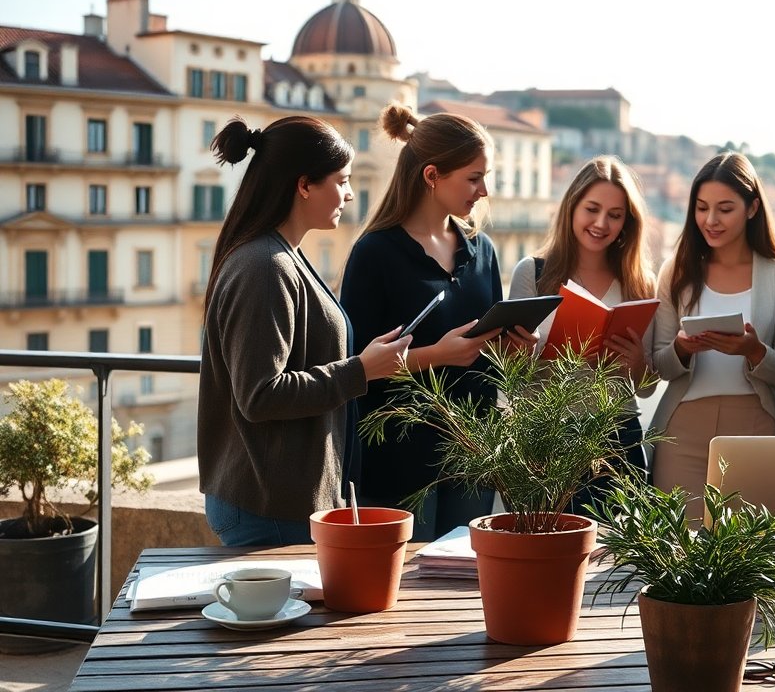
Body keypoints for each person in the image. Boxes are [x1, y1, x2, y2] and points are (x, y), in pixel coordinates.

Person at [198, 116, 410, 547]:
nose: (349, 194)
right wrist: (361, 370)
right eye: (342, 181)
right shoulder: (265, 266)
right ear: (304, 185)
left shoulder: (281, 255)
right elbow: (260, 395)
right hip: (269, 505)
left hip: (280, 499)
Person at [342, 104, 531, 542]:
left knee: (465, 574)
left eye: (485, 177)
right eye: (473, 178)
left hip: (473, 451)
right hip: (398, 456)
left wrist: (514, 346)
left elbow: (490, 345)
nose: (483, 191)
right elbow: (356, 366)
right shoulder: (374, 253)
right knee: (409, 577)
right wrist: (438, 355)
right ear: (432, 176)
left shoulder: (481, 249)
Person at [650, 152, 775, 516]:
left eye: (725, 209)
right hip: (682, 432)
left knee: (749, 544)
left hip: (756, 426)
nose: (710, 220)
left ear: (752, 208)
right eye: (701, 208)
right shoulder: (676, 271)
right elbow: (659, 365)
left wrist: (754, 352)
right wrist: (681, 349)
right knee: (680, 544)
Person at [508, 155, 658, 513]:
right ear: (572, 207)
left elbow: (647, 388)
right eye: (592, 209)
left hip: (618, 436)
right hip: (548, 436)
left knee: (617, 546)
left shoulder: (640, 283)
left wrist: (636, 363)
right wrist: (524, 354)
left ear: (627, 222)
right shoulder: (533, 273)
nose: (601, 223)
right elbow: (510, 378)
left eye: (615, 215)